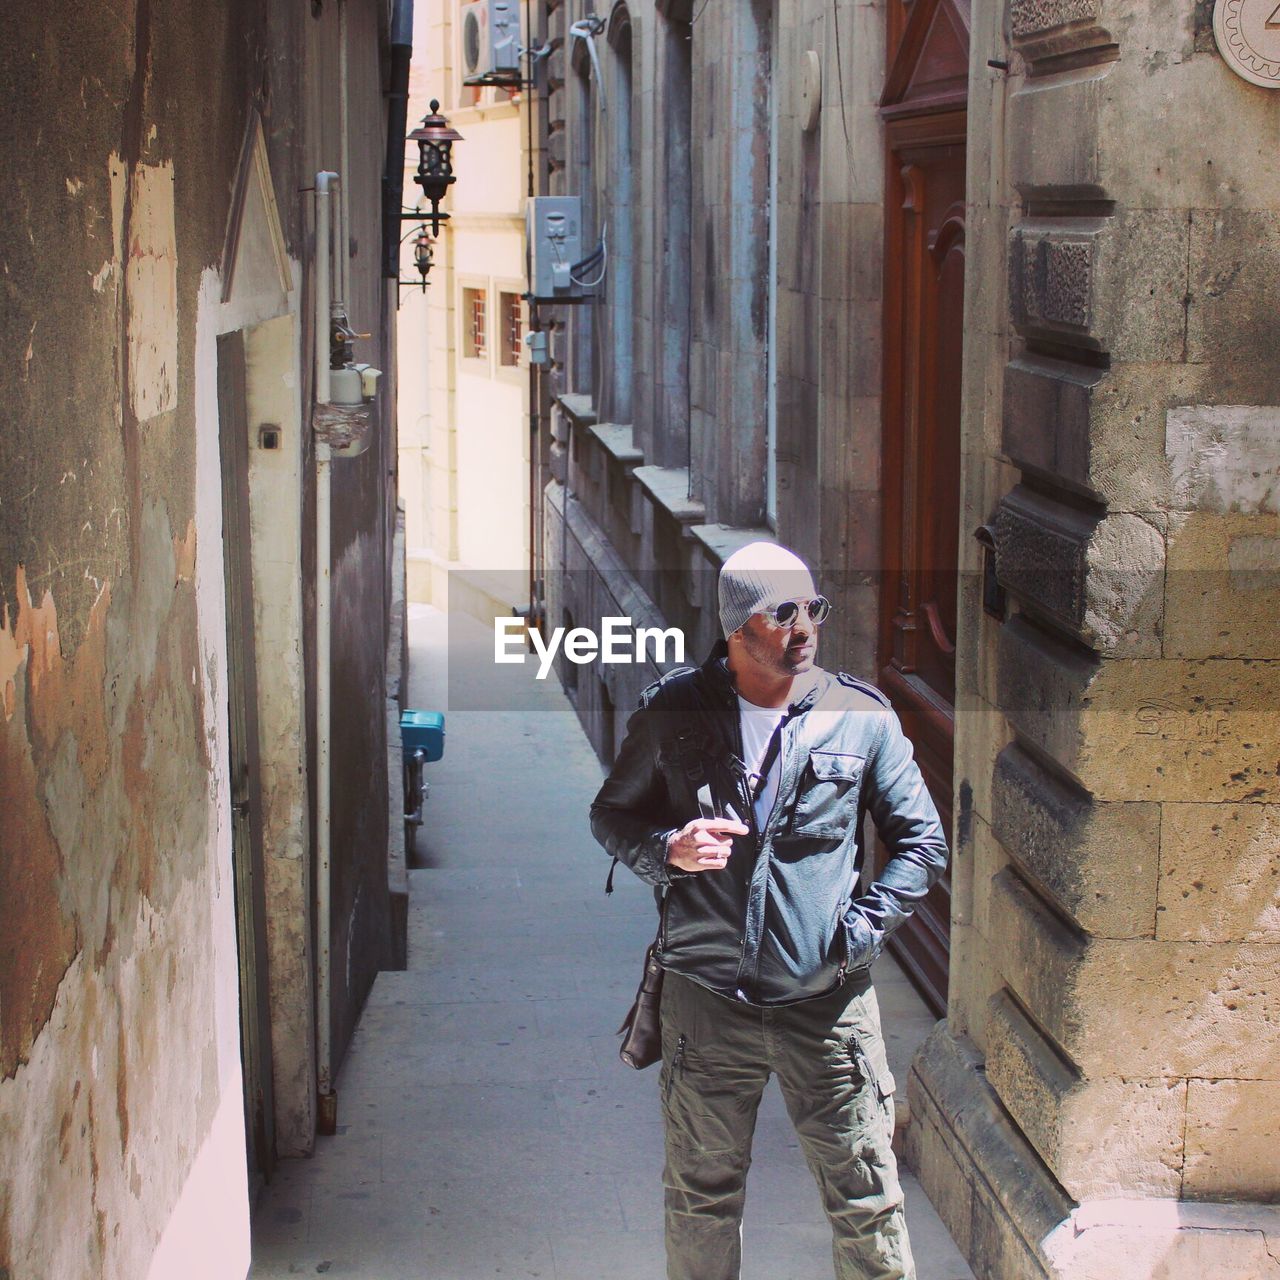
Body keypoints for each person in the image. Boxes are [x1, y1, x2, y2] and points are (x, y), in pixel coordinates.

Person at [590, 541, 949, 1280]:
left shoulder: (861, 718)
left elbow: (923, 843)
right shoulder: (673, 712)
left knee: (866, 1201)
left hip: (826, 1008)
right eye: (781, 612)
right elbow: (611, 816)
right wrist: (668, 850)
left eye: (811, 608)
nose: (803, 627)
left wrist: (856, 936)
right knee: (699, 1200)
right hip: (706, 1001)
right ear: (737, 629)